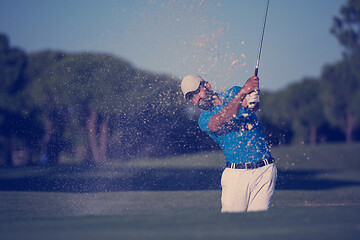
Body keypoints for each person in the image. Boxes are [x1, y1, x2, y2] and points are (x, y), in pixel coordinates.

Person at [181, 74, 277, 212]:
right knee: (231, 225)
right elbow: (221, 119)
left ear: (207, 85)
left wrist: (253, 97)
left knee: (258, 224)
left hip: (265, 171)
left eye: (196, 92)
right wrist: (244, 91)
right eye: (191, 97)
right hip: (236, 175)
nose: (197, 99)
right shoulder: (204, 119)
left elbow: (250, 105)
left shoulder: (233, 92)